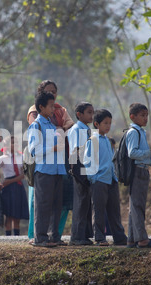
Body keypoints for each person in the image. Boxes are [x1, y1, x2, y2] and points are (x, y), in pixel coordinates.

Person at [26, 80, 74, 243]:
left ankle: (54, 237)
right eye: (51, 106)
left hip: (58, 170)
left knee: (56, 205)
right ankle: (40, 237)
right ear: (41, 107)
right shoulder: (36, 126)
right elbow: (34, 150)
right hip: (44, 171)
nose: (54, 110)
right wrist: (52, 148)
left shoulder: (53, 127)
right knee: (43, 205)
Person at [83, 109, 128, 246]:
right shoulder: (93, 140)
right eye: (105, 123)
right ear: (96, 124)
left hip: (111, 179)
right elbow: (87, 161)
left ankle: (119, 237)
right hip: (99, 180)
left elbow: (111, 161)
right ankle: (99, 237)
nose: (108, 126)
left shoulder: (108, 141)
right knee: (99, 210)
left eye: (110, 123)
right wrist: (93, 179)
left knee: (114, 210)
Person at [125, 103, 151, 248]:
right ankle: (142, 239)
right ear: (132, 117)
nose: (145, 118)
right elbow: (132, 153)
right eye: (142, 115)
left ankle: (132, 239)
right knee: (137, 205)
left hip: (142, 170)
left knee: (135, 206)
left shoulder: (140, 131)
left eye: (146, 115)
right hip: (137, 171)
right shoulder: (134, 132)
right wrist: (149, 153)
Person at [68, 101, 94, 245]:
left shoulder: (87, 130)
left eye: (92, 112)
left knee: (86, 202)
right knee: (80, 202)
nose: (92, 115)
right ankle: (76, 237)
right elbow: (75, 151)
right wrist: (78, 171)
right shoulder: (77, 129)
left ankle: (84, 234)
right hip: (79, 166)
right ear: (79, 114)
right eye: (89, 112)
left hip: (86, 166)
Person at [0, 136, 29, 236]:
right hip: (7, 189)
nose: (14, 145)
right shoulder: (2, 159)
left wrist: (10, 181)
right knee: (9, 215)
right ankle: (8, 237)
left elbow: (24, 174)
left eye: (16, 142)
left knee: (17, 215)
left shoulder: (22, 157)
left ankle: (16, 236)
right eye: (12, 143)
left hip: (18, 186)